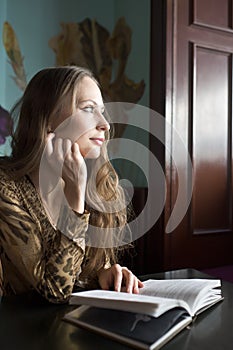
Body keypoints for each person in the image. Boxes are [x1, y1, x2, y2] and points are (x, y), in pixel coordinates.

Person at [0, 66, 143, 303]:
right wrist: (74, 197)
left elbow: (78, 275)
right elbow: (54, 293)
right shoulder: (6, 186)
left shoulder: (95, 183)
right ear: (47, 121)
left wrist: (103, 273)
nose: (105, 124)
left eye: (102, 111)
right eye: (88, 109)